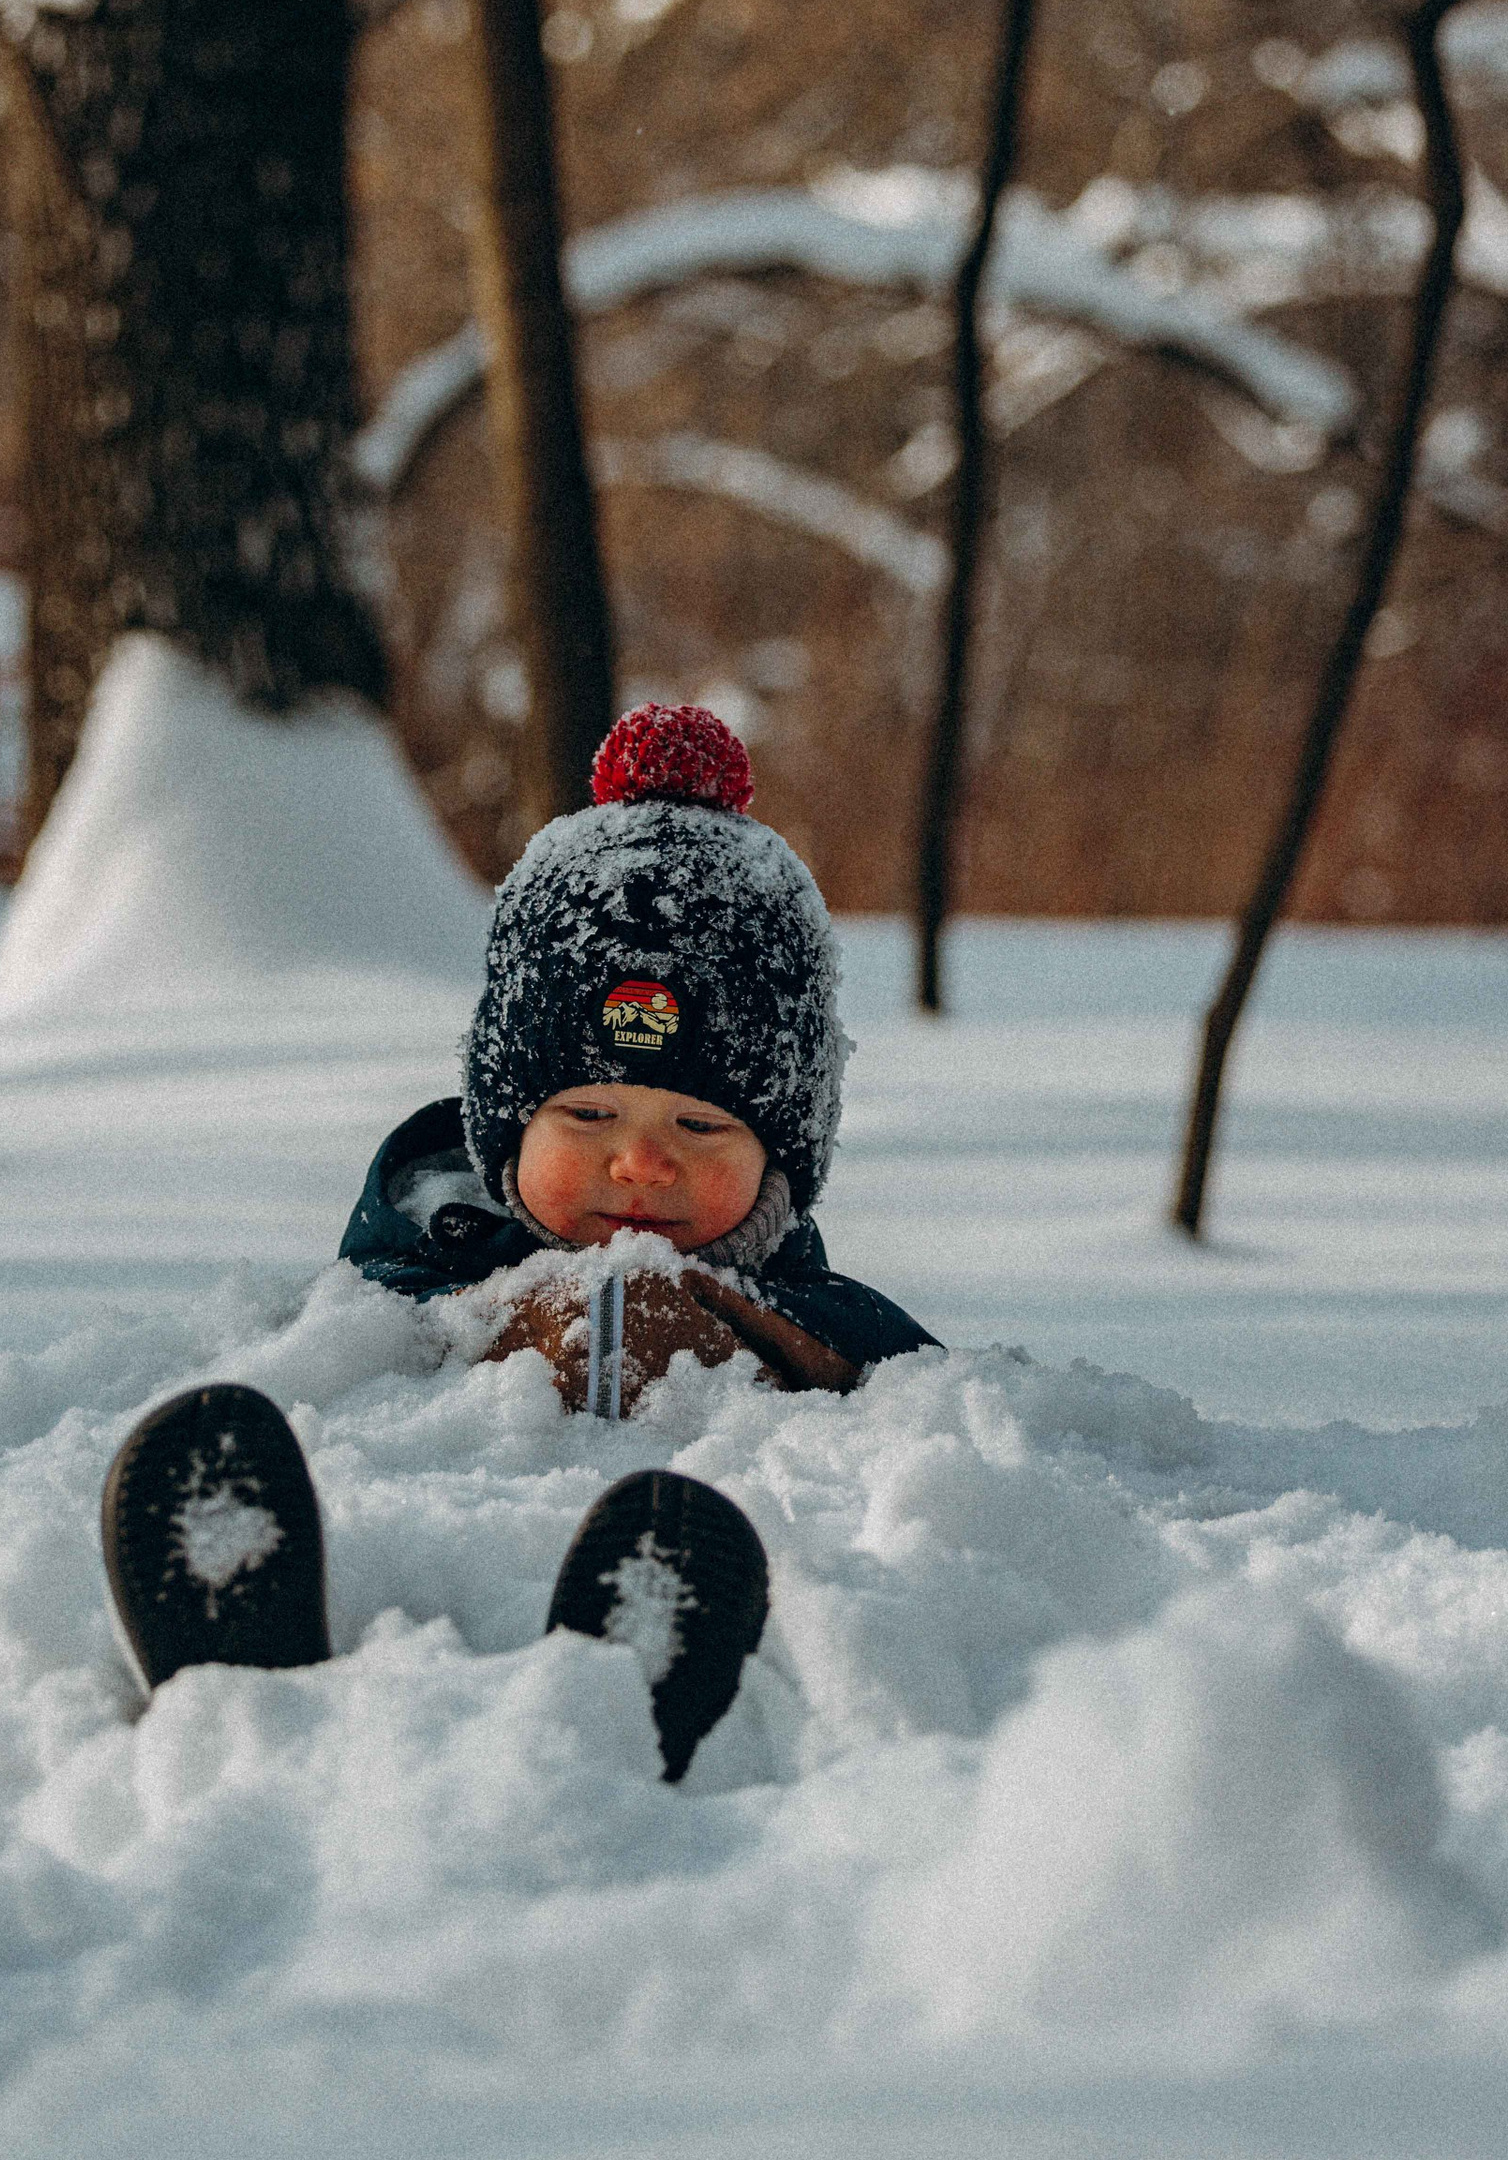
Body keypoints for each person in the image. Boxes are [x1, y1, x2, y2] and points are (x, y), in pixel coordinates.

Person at [99, 703, 934, 1779]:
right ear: (505, 1124)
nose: (640, 1163)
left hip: (640, 1601)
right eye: (588, 1116)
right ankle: (248, 1685)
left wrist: (790, 1341)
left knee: (706, 1555)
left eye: (699, 1125)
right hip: (409, 1588)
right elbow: (311, 1364)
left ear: (783, 1160)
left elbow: (953, 1420)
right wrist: (475, 1322)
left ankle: (636, 1715)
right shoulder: (400, 1281)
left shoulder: (814, 1332)